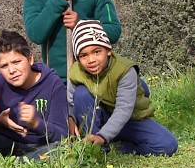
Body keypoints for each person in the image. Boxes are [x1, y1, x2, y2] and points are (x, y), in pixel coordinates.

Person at [68, 20, 178, 156]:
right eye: (83, 55)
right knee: (81, 94)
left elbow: (123, 110)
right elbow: (71, 103)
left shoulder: (125, 70)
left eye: (96, 52)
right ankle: (93, 147)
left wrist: (103, 136)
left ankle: (123, 147)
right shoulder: (75, 71)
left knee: (167, 145)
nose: (91, 60)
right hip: (101, 117)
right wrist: (71, 119)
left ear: (108, 50)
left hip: (131, 120)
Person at [0, 31, 68, 161]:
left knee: (60, 149)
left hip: (39, 145)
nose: (12, 71)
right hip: (6, 143)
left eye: (16, 62)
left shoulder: (52, 83)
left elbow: (62, 134)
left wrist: (36, 123)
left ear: (30, 59)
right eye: (4, 66)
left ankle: (18, 162)